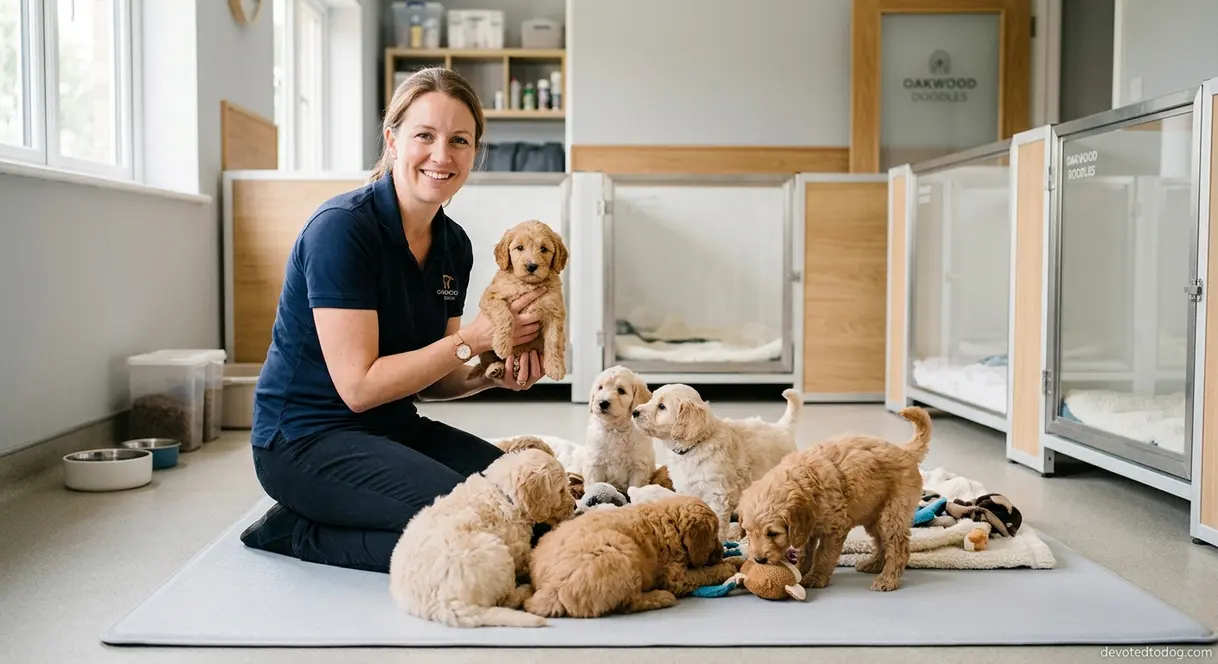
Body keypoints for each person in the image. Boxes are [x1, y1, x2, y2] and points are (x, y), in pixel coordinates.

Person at [239, 67, 550, 573]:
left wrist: (491, 372)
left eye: (459, 140)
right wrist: (472, 338)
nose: (441, 156)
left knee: (532, 506)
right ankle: (298, 530)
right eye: (424, 136)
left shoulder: (455, 245)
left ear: (475, 152)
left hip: (392, 428)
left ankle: (358, 512)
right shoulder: (341, 231)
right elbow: (359, 388)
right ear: (392, 140)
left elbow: (438, 379)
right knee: (477, 529)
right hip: (304, 441)